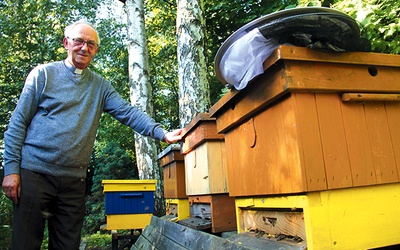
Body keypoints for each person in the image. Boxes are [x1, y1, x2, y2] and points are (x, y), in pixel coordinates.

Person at [2, 20, 182, 250]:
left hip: (73, 182)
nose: (84, 48)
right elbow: (17, 124)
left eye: (91, 44)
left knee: (68, 245)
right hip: (34, 175)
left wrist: (161, 133)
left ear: (95, 50)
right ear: (66, 43)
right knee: (25, 244)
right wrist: (11, 170)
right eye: (78, 41)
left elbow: (127, 113)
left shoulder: (100, 86)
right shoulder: (43, 75)